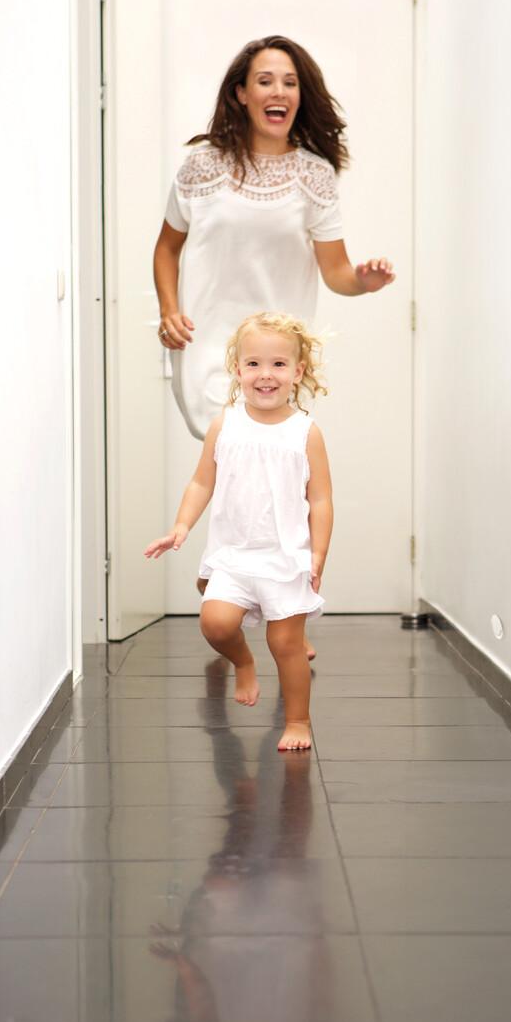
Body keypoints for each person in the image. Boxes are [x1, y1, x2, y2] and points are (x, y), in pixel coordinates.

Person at [153, 33, 395, 440]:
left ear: (300, 96)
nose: (278, 91)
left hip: (278, 356)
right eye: (264, 81)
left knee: (271, 461)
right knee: (228, 456)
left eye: (290, 82)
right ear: (241, 93)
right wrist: (168, 311)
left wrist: (363, 281)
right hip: (207, 347)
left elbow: (336, 271)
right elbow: (166, 247)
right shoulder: (202, 165)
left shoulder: (314, 175)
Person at [144, 312, 332, 752]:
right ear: (237, 369)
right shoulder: (224, 425)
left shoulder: (305, 433)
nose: (266, 374)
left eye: (279, 364)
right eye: (254, 364)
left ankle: (298, 720)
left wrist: (318, 554)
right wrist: (181, 526)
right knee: (215, 623)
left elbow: (321, 499)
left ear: (298, 372)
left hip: (285, 557)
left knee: (285, 644)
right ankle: (243, 663)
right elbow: (201, 483)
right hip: (233, 554)